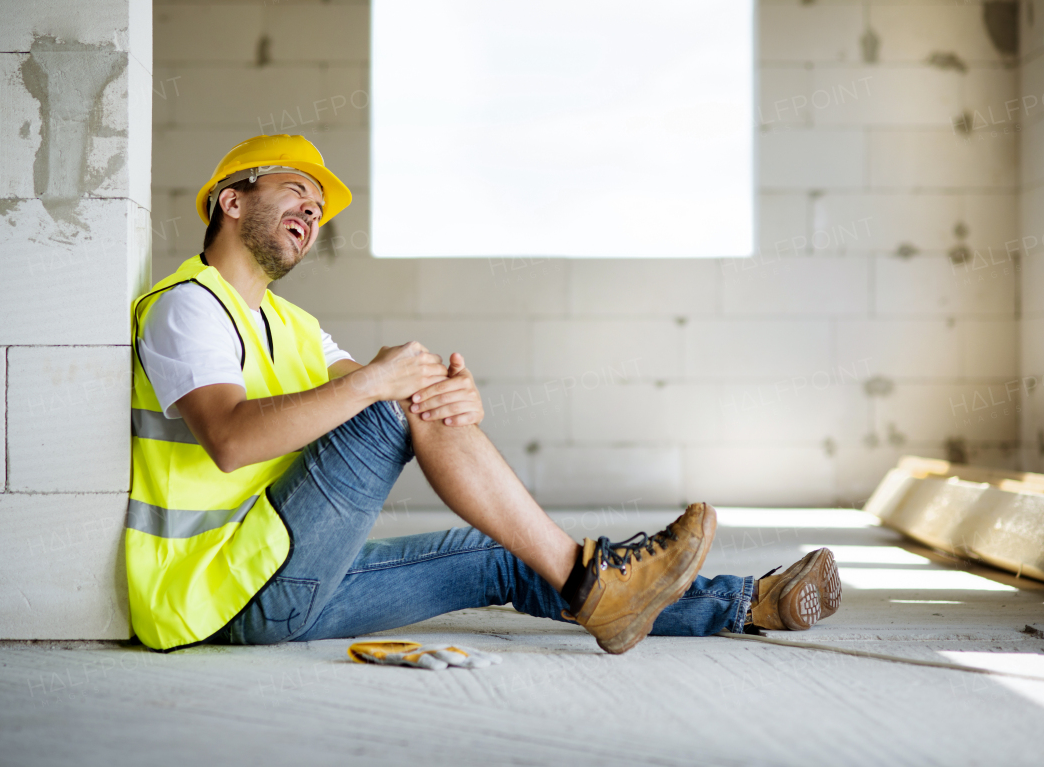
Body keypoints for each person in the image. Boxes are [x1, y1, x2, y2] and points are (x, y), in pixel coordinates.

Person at [125, 134, 842, 653]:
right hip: (217, 593)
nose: (312, 216)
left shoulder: (293, 325)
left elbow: (396, 397)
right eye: (295, 194)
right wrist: (393, 386)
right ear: (229, 201)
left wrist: (446, 394)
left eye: (319, 209)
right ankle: (598, 581)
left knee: (506, 554)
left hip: (291, 583)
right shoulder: (188, 304)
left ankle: (749, 602)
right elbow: (230, 440)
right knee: (394, 397)